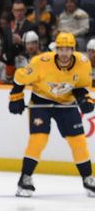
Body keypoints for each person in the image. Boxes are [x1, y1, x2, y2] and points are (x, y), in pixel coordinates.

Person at [9, 32, 95, 197]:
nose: (64, 54)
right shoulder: (41, 62)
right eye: (61, 49)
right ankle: (25, 178)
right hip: (42, 100)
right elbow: (20, 78)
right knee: (38, 138)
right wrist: (16, 97)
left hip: (66, 103)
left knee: (78, 140)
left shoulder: (83, 63)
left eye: (68, 49)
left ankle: (88, 178)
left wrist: (84, 99)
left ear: (73, 50)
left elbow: (80, 86)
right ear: (56, 49)